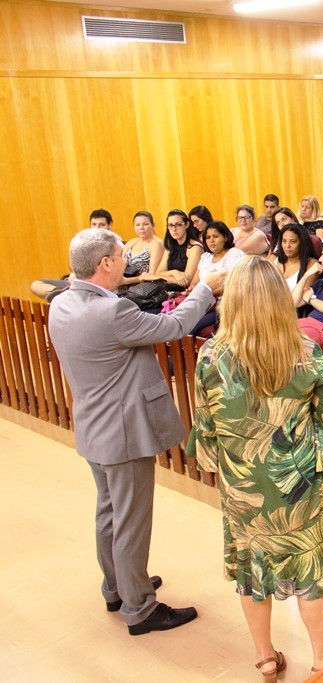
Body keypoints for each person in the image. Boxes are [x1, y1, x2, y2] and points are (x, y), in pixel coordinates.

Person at [48, 227, 222, 636]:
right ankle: (141, 608)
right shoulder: (111, 313)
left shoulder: (62, 304)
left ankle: (118, 587)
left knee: (109, 513)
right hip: (124, 432)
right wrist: (204, 289)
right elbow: (173, 326)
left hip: (93, 427)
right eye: (121, 255)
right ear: (105, 263)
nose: (127, 260)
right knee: (130, 521)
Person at [187, 256, 323, 679]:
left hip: (243, 487)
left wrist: (232, 469)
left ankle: (264, 657)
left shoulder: (211, 357)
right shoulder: (307, 352)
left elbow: (206, 431)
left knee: (251, 571)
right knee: (309, 574)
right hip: (298, 485)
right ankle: (322, 661)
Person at [141, 210, 205, 291]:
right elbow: (158, 272)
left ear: (187, 225)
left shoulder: (195, 247)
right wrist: (174, 272)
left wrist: (155, 277)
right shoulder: (170, 246)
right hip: (167, 289)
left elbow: (186, 282)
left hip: (184, 292)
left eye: (178, 225)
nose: (174, 229)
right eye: (170, 225)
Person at [120, 211, 166, 287]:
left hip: (145, 286)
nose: (141, 228)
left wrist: (125, 281)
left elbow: (152, 274)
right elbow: (120, 264)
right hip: (125, 282)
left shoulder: (156, 243)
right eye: (137, 225)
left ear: (153, 225)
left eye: (145, 224)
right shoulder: (131, 242)